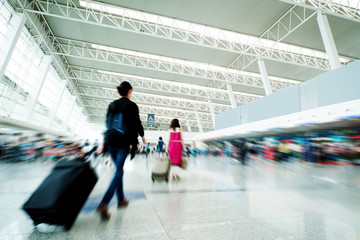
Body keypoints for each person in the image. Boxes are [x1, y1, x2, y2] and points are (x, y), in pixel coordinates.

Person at [96, 81, 146, 220]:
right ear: (129, 91)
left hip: (110, 140)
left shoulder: (112, 105)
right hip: (123, 141)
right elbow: (137, 123)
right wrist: (142, 136)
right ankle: (105, 203)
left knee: (119, 170)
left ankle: (121, 200)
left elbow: (107, 124)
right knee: (118, 171)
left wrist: (103, 142)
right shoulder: (132, 106)